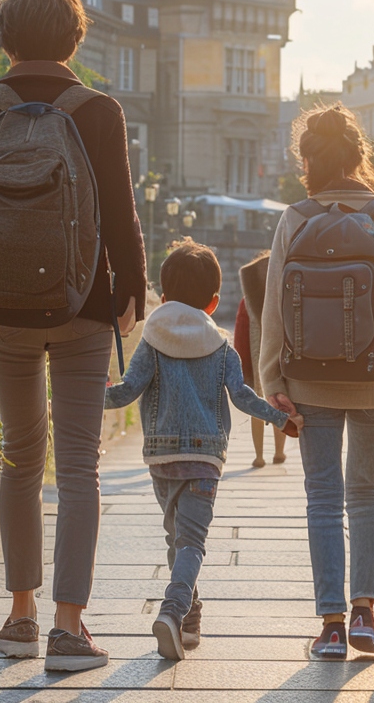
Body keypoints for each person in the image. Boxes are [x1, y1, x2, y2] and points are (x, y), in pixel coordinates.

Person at [0, 0, 146, 672]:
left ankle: (19, 618)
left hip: (1, 309)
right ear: (74, 36)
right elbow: (119, 211)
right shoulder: (98, 110)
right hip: (82, 305)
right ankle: (69, 629)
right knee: (78, 465)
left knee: (20, 457)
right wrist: (130, 290)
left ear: (5, 36)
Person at [258, 104, 374, 659]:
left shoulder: (295, 218)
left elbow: (274, 312)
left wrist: (272, 381)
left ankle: (330, 627)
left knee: (323, 498)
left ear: (308, 160)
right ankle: (365, 619)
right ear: (360, 155)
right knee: (366, 495)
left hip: (308, 382)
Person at [106, 240, 300, 660]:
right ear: (213, 302)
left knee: (176, 537)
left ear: (164, 290)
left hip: (160, 459)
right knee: (192, 542)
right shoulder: (222, 346)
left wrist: (88, 393)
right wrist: (281, 418)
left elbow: (126, 392)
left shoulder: (152, 339)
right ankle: (173, 612)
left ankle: (190, 617)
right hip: (205, 460)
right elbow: (243, 397)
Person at [235, 251, 285, 468]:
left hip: (257, 361)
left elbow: (240, 334)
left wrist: (241, 364)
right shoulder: (284, 297)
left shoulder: (247, 301)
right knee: (281, 402)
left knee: (257, 402)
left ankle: (259, 455)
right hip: (282, 360)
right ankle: (279, 452)